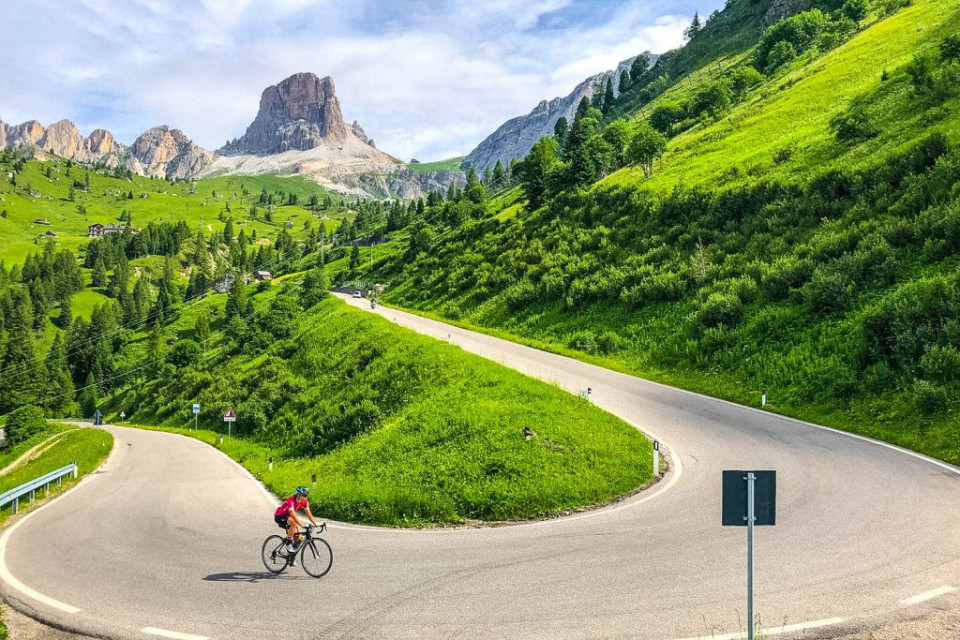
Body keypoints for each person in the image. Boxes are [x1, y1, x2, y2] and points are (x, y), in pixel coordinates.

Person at [274, 486, 319, 554]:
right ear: (298, 495)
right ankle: (288, 543)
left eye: (306, 496)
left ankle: (291, 558)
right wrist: (301, 525)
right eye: (304, 495)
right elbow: (293, 515)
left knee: (298, 538)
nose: (305, 498)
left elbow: (309, 515)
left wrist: (315, 523)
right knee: (294, 523)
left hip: (288, 518)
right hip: (279, 516)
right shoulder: (291, 500)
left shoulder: (305, 502)